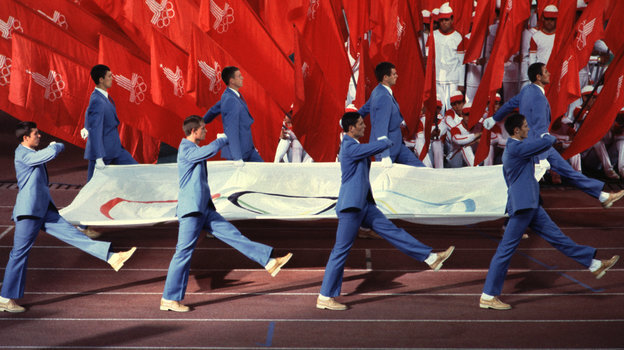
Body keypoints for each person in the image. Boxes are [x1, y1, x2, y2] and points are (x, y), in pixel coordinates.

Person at [316, 112, 454, 311]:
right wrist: (388, 139)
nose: (365, 126)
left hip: (364, 205)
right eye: (361, 124)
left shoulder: (354, 145)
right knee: (340, 251)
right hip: (351, 207)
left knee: (392, 231)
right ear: (351, 128)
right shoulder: (348, 146)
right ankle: (324, 296)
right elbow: (372, 147)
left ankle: (430, 258)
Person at [479, 113, 619, 310]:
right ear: (516, 131)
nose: (528, 128)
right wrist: (545, 134)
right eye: (526, 126)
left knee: (558, 238)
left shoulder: (516, 148)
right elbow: (548, 142)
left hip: (531, 204)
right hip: (524, 206)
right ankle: (488, 295)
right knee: (505, 251)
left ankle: (593, 264)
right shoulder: (517, 147)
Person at [160, 115, 292, 312]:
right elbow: (210, 150)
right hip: (192, 210)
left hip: (204, 208)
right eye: (203, 129)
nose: (205, 131)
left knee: (233, 234)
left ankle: (269, 261)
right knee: (183, 253)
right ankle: (169, 299)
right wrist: (222, 139)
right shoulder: (186, 149)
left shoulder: (193, 149)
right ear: (193, 131)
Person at [0, 122, 136, 313]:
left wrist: (57, 145)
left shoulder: (33, 152)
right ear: (25, 138)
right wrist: (54, 145)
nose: (39, 136)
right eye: (36, 134)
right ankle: (5, 298)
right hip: (29, 212)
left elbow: (54, 150)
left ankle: (112, 256)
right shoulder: (22, 154)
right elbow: (48, 153)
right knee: (19, 253)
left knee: (74, 235)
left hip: (44, 210)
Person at [483, 63, 624, 208]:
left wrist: (494, 118)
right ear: (538, 77)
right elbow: (539, 126)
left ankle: (602, 196)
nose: (549, 74)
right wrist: (541, 156)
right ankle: (512, 220)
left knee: (565, 173)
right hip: (537, 146)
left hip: (536, 145)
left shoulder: (527, 90)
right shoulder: (538, 97)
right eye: (545, 72)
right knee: (525, 186)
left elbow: (510, 104)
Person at [81, 64, 138, 238]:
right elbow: (97, 127)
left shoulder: (102, 97)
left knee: (138, 171)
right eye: (110, 76)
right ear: (101, 79)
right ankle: (85, 225)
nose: (112, 79)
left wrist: (85, 126)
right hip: (103, 154)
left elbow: (90, 114)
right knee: (92, 189)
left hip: (115, 149)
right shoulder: (98, 99)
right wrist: (98, 157)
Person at [358, 62, 425, 167]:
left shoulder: (378, 90)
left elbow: (363, 110)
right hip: (387, 150)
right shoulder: (383, 97)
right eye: (394, 74)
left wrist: (348, 121)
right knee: (385, 181)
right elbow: (381, 128)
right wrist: (385, 155)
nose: (396, 76)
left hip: (397, 145)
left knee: (420, 169)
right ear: (385, 77)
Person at [202, 66, 263, 164]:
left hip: (248, 149)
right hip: (240, 152)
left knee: (263, 173)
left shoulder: (230, 96)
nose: (242, 78)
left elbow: (214, 110)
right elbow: (232, 129)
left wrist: (202, 121)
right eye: (239, 76)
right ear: (232, 81)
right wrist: (237, 157)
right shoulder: (230, 99)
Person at [430, 2, 465, 111]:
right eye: (441, 20)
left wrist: (461, 83)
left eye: (446, 20)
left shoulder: (458, 37)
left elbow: (461, 63)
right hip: (436, 80)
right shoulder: (433, 35)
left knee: (451, 110)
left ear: (452, 19)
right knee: (438, 110)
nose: (444, 23)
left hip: (452, 80)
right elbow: (428, 60)